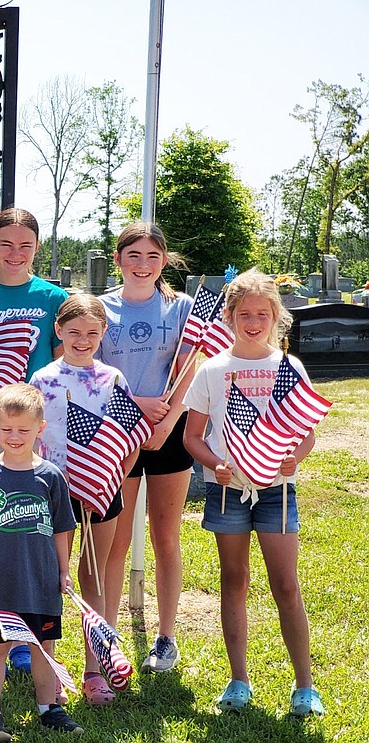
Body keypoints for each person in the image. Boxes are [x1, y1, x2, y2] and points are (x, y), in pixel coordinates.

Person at [182, 269, 324, 717]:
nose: (254, 322)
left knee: (286, 584)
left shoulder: (288, 367)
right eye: (245, 314)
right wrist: (215, 464)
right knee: (234, 581)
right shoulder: (214, 369)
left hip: (278, 491)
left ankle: (305, 685)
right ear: (229, 316)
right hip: (229, 492)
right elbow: (193, 436)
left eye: (263, 314)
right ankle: (238, 679)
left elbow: (305, 433)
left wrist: (294, 458)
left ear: (276, 316)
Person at [0, 207, 68, 676]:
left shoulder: (54, 297)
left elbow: (65, 366)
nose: (15, 253)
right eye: (6, 244)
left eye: (25, 245)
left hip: (36, 429)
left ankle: (30, 633)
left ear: (37, 248)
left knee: (33, 531)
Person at [29, 293, 139, 706]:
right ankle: (51, 669)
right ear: (58, 331)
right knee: (52, 580)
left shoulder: (113, 379)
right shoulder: (41, 380)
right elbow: (30, 439)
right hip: (53, 493)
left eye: (92, 333)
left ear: (103, 334)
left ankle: (96, 668)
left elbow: (128, 441)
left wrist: (110, 481)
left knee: (94, 578)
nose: (82, 339)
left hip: (102, 491)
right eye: (73, 332)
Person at [98, 223, 195, 672]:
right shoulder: (101, 308)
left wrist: (167, 420)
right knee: (114, 541)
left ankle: (166, 637)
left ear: (164, 261)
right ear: (118, 259)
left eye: (152, 257)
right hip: (116, 431)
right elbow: (91, 373)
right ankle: (108, 634)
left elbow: (191, 368)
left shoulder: (182, 308)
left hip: (168, 431)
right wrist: (137, 407)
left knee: (164, 536)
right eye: (132, 255)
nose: (142, 264)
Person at [0, 384, 82, 740]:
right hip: (0, 581)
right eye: (6, 429)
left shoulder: (51, 476)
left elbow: (63, 528)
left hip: (42, 579)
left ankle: (49, 707)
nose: (14, 436)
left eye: (23, 430)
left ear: (40, 429)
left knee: (43, 647)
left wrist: (64, 570)